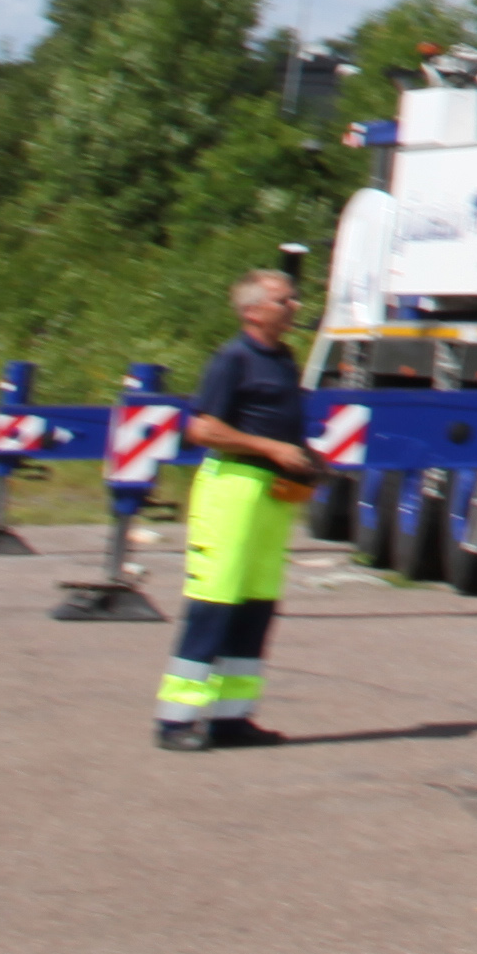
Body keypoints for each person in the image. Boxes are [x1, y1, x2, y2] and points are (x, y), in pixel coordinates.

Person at [157, 269, 319, 751]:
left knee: (256, 603)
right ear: (253, 311)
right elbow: (203, 429)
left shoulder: (284, 359)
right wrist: (270, 447)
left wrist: (304, 456)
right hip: (232, 487)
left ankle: (231, 718)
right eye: (284, 301)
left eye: (293, 300)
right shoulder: (232, 359)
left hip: (273, 492)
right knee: (215, 601)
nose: (294, 307)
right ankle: (176, 720)